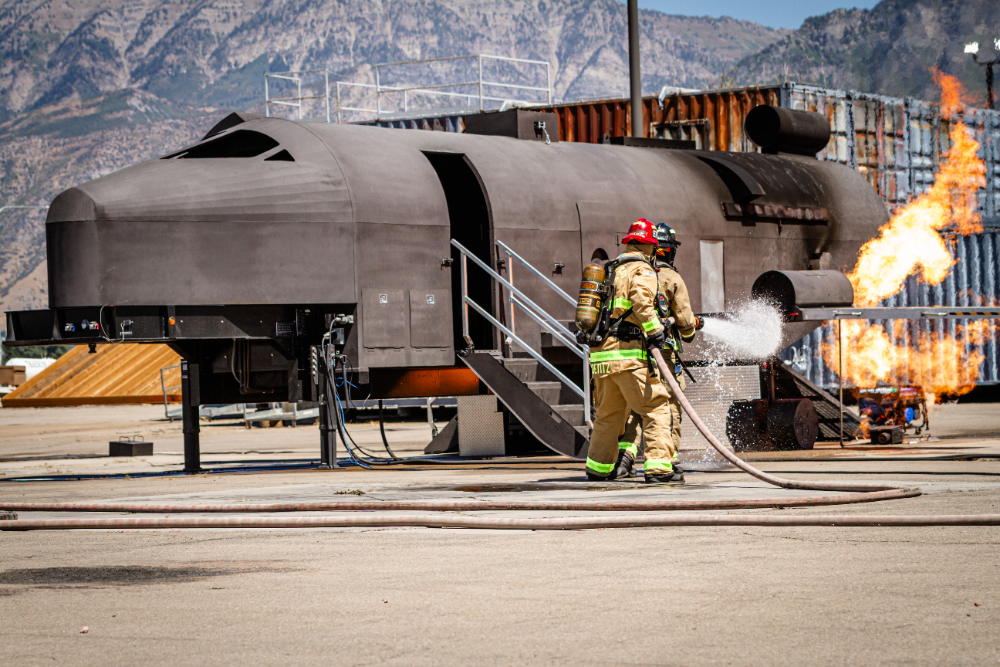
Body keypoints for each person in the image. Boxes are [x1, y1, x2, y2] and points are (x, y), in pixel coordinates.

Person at [585, 218, 674, 482]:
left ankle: (598, 470)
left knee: (607, 417)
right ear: (649, 246)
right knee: (656, 407)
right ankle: (658, 469)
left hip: (601, 357)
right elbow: (641, 301)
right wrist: (656, 330)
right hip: (629, 355)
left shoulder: (611, 269)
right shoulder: (642, 269)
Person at [616, 223, 704, 482]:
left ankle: (624, 459)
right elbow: (686, 325)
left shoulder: (630, 271)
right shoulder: (671, 277)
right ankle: (668, 461)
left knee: (634, 407)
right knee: (669, 407)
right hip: (664, 355)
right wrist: (691, 329)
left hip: (633, 352)